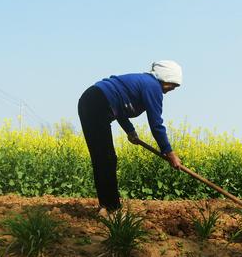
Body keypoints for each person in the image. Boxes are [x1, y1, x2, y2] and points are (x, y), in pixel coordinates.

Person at [78, 60, 183, 216]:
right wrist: (169, 152)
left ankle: (106, 207)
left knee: (103, 158)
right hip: (97, 103)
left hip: (90, 101)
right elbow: (156, 124)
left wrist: (130, 131)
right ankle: (111, 209)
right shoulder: (153, 86)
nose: (172, 89)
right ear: (165, 78)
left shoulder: (145, 83)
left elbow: (119, 105)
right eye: (172, 84)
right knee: (106, 158)